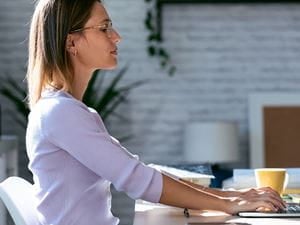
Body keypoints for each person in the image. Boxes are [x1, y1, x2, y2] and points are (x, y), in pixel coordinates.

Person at [25, 1, 286, 225]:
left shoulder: (70, 111)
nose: (116, 36)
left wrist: (230, 198)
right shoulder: (60, 113)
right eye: (104, 28)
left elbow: (138, 171)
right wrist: (230, 204)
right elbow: (138, 180)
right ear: (72, 42)